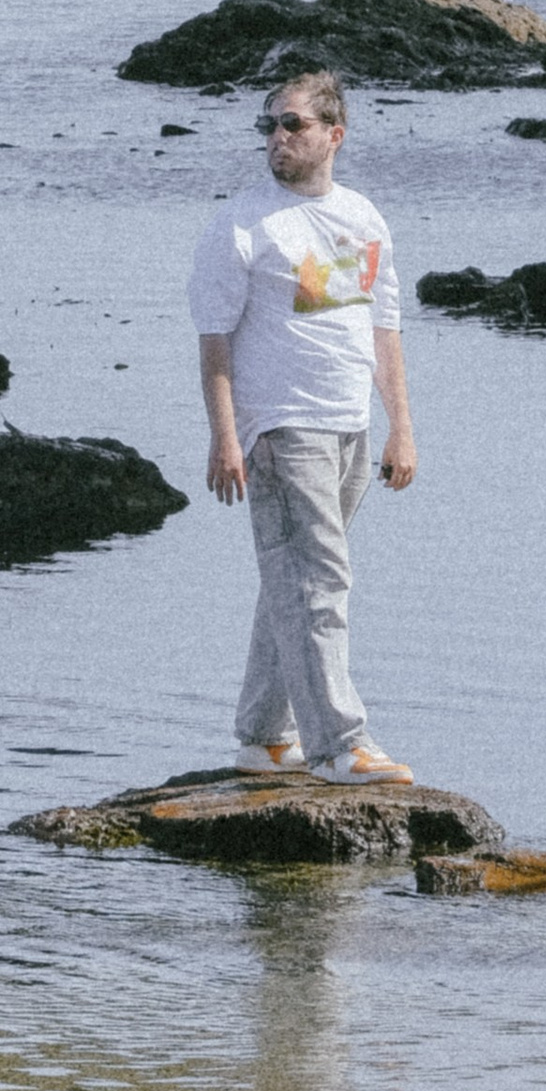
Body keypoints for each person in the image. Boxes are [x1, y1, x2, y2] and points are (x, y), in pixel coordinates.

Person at [186, 67, 418, 784]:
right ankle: (339, 745)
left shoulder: (363, 217)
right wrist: (227, 436)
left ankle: (263, 737)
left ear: (333, 135)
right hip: (283, 429)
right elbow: (214, 340)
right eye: (269, 126)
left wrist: (400, 427)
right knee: (319, 581)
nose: (276, 138)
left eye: (293, 124)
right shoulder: (243, 224)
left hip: (350, 427)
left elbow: (383, 328)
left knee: (293, 581)